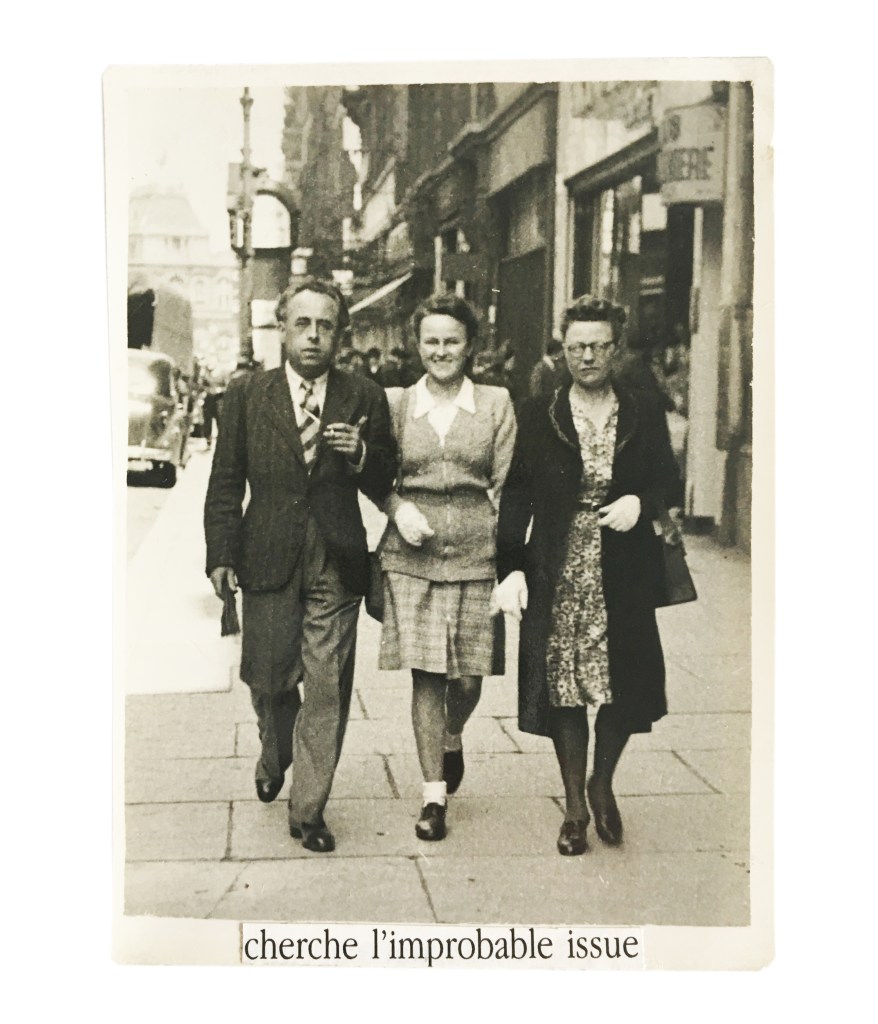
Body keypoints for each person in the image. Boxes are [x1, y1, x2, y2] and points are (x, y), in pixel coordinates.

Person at [204, 278, 397, 853]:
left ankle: (309, 809)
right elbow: (225, 482)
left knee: (328, 686)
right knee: (270, 682)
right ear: (283, 329)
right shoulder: (246, 396)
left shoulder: (364, 396)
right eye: (303, 324)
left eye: (325, 326)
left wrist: (361, 455)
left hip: (336, 558)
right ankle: (275, 751)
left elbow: (386, 475)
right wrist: (220, 555)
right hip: (267, 553)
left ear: (340, 334)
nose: (314, 336)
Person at [493, 295, 682, 856]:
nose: (588, 357)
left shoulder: (641, 408)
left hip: (623, 566)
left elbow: (668, 478)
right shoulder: (539, 412)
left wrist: (641, 502)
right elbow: (517, 493)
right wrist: (511, 568)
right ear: (563, 349)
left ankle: (603, 780)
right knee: (565, 686)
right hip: (558, 564)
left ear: (616, 348)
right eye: (576, 347)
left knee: (624, 682)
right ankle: (575, 804)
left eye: (599, 346)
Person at [379, 293, 516, 841]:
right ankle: (433, 796)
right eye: (431, 341)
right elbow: (377, 475)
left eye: (451, 341)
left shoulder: (496, 403)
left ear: (470, 346)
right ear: (417, 345)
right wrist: (397, 507)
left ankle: (452, 734)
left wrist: (512, 565)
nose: (441, 351)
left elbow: (507, 484)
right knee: (427, 674)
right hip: (410, 557)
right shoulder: (395, 404)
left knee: (467, 678)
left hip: (478, 555)